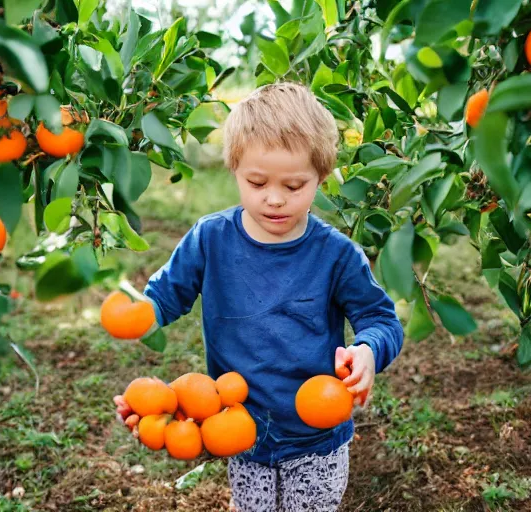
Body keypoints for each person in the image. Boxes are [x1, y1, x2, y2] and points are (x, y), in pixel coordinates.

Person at [112, 82, 404, 511]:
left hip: (317, 438)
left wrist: (367, 350)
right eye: (257, 181)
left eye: (294, 185)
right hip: (241, 430)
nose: (273, 198)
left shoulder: (336, 254)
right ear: (234, 169)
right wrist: (141, 316)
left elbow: (381, 319)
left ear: (320, 178)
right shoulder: (211, 239)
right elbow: (165, 297)